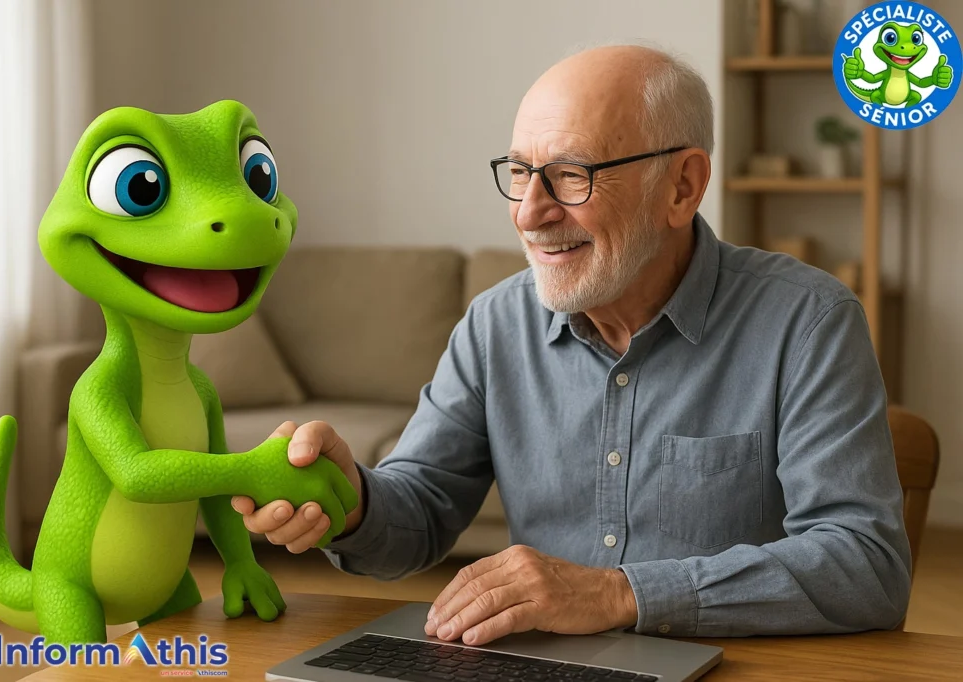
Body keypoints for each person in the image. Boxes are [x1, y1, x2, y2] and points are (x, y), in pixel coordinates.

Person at [231, 45, 911, 645]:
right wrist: (350, 500)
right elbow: (422, 507)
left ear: (682, 186)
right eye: (520, 171)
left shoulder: (809, 322)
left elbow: (866, 566)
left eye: (572, 174)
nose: (530, 212)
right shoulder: (494, 325)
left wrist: (618, 594)